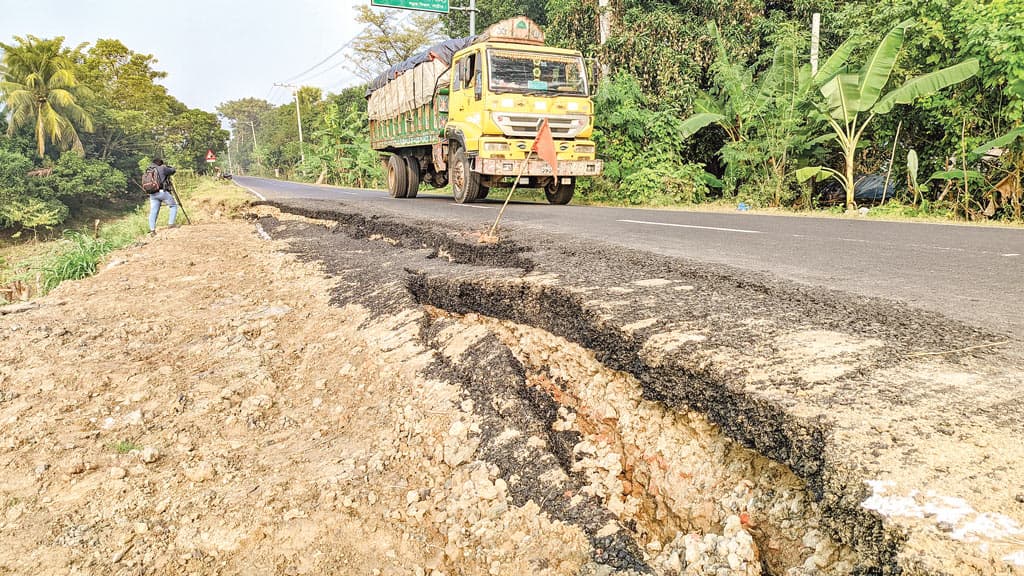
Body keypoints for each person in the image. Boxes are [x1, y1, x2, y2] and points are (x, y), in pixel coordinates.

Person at [147, 158, 178, 235]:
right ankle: (171, 224)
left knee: (153, 211)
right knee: (173, 206)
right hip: (162, 192)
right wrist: (169, 167)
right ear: (160, 163)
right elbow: (173, 171)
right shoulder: (162, 168)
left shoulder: (148, 170)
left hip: (152, 193)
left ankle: (152, 230)